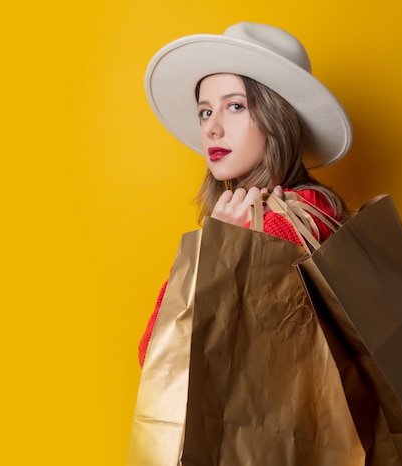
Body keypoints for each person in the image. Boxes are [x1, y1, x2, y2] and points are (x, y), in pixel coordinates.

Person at [138, 22, 352, 367]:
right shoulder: (310, 207)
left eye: (235, 106)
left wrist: (217, 248)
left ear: (277, 119)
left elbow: (158, 356)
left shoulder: (288, 223)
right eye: (205, 111)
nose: (211, 127)